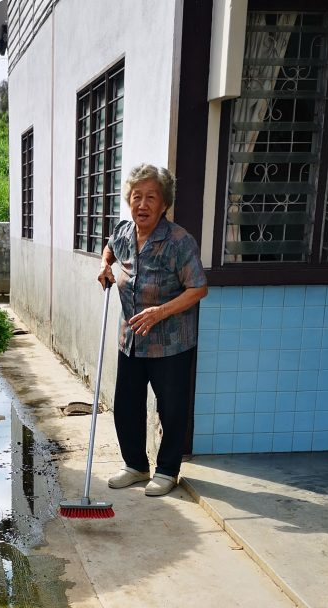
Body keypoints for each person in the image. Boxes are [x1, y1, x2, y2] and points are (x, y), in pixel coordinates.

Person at [98, 164, 208, 497]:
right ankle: (135, 465)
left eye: (151, 198)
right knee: (126, 405)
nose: (142, 204)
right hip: (131, 339)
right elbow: (110, 248)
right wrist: (104, 265)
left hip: (171, 343)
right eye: (137, 197)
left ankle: (167, 470)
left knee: (171, 408)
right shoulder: (123, 232)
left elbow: (198, 288)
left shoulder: (178, 241)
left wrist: (160, 312)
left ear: (163, 204)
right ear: (129, 201)